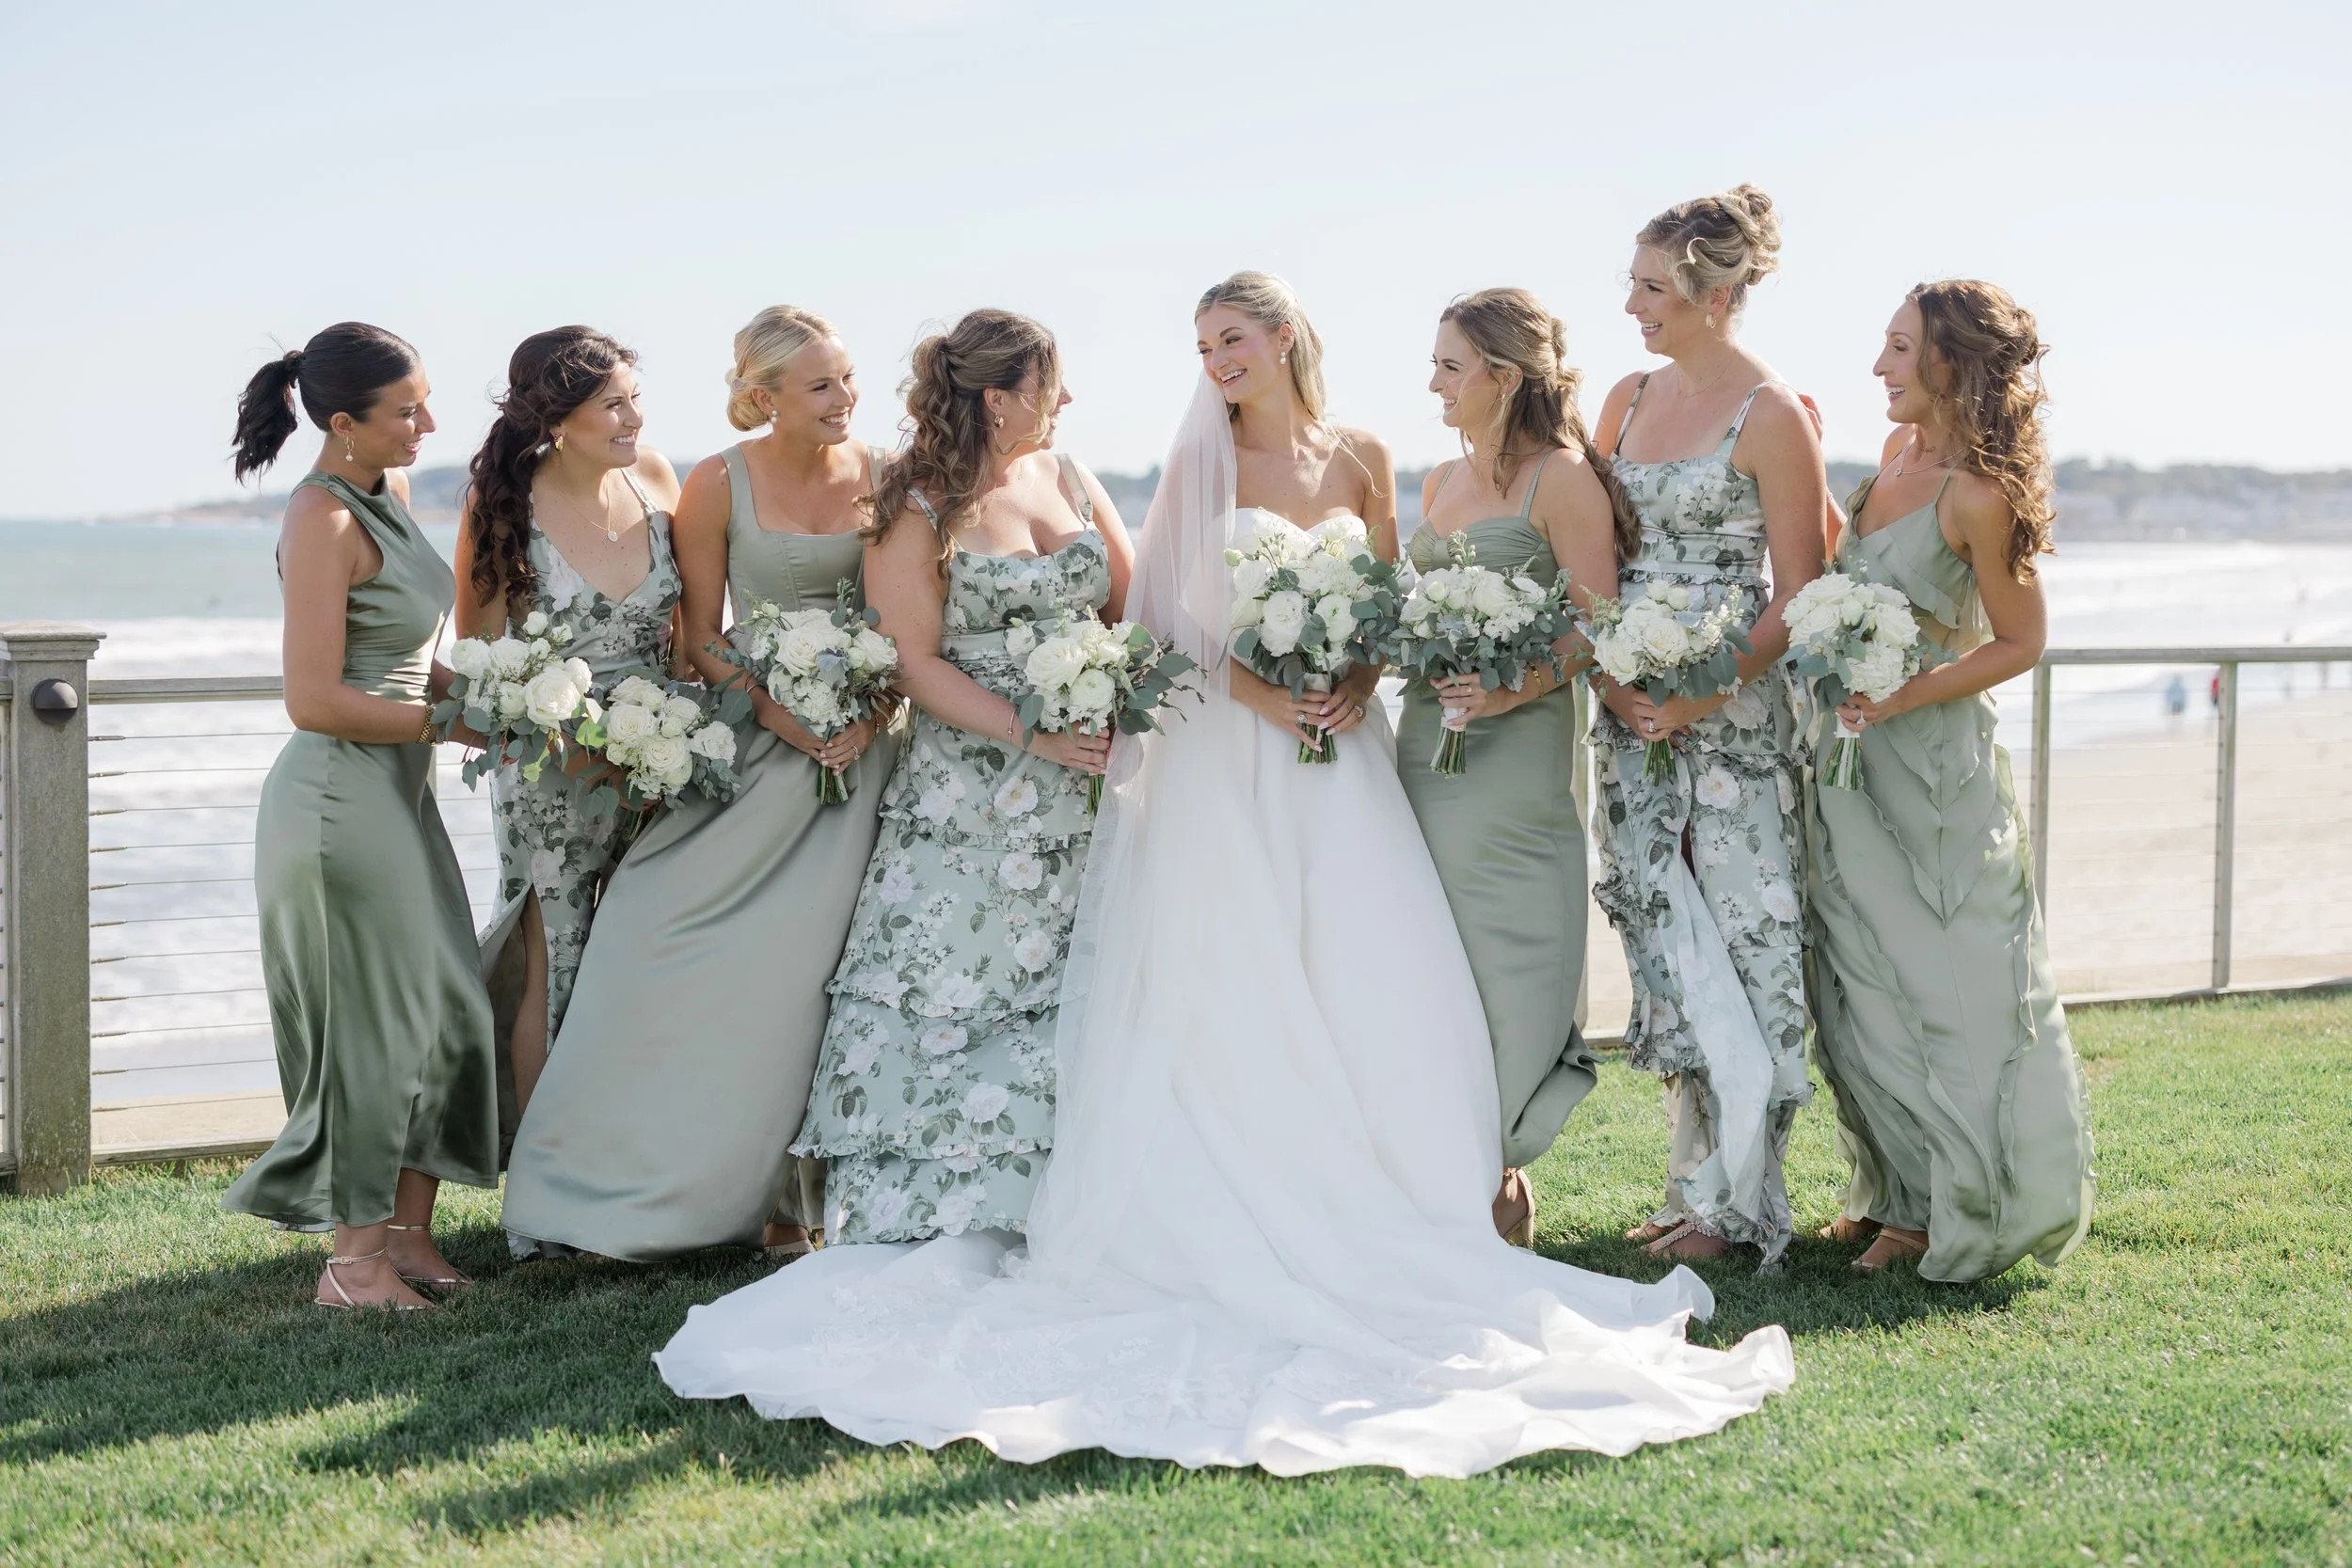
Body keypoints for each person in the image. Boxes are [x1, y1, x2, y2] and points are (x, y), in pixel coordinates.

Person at [653, 274, 1793, 1479]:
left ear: (1285, 336)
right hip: (1225, 753)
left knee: (1363, 972)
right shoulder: (1190, 464)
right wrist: (1263, 695)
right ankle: (1231, 1193)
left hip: (1344, 761)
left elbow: (1382, 605)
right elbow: (1164, 624)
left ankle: (1411, 1193)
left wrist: (1350, 682)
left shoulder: (1361, 456)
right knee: (1227, 973)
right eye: (1202, 345)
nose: (1214, 362)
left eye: (1232, 339)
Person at [499, 308, 900, 1260]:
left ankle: (794, 1207)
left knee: (825, 971)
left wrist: (873, 708)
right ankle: (605, 1181)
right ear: (764, 396)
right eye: (822, 383)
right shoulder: (717, 480)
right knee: (658, 937)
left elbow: (906, 619)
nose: (846, 396)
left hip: (863, 754)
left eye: (847, 377)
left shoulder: (889, 476)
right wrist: (775, 710)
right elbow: (699, 634)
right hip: (755, 745)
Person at [787, 309, 1132, 1243]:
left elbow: (1131, 607)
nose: (1067, 400)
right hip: (969, 800)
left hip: (1089, 792)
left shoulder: (1070, 475)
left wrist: (1115, 692)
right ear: (998, 398)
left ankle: (1081, 1201)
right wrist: (1033, 734)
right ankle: (943, 1210)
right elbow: (913, 661)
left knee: (1083, 982)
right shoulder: (916, 504)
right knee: (958, 983)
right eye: (1051, 385)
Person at [1804, 280, 2095, 1279]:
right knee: (1859, 977)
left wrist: (1906, 693)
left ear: (1950, 361)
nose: (1879, 366)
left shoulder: (1978, 492)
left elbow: (2021, 640)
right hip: (1847, 755)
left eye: (1898, 348)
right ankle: (1894, 1189)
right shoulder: (1894, 454)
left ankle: (1957, 1203)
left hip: (1927, 768)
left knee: (1939, 986)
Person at [220, 324, 495, 1309]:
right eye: (407, 411)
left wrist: (502, 707)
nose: (429, 424)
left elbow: (412, 657)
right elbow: (314, 699)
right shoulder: (321, 518)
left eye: (425, 401)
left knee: (452, 1008)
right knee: (377, 1028)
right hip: (337, 799)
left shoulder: (393, 492)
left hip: (398, 793)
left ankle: (408, 1237)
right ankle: (352, 1264)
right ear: (342, 422)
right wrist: (452, 726)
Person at [1589, 184, 1828, 1268]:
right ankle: (1693, 1182)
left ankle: (1739, 1202)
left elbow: (1800, 591)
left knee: (1744, 935)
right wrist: (1615, 680)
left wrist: (1701, 690)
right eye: (1633, 283)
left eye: (1651, 286)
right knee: (1667, 938)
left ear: (1713, 293)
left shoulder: (1771, 415)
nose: (1631, 304)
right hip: (1631, 716)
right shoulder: (1624, 400)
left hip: (1729, 722)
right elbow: (1591, 558)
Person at [1402, 288, 1625, 1243]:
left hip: (1516, 746)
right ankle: (1443, 1172)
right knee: (1433, 957)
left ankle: (1497, 1164)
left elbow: (1596, 619)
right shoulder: (1439, 483)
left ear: (1501, 375)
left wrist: (1512, 687)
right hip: (1427, 742)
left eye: (1449, 366)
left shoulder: (1563, 479)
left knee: (1511, 952)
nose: (1434, 383)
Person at [458, 327, 681, 1137]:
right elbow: (480, 661)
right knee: (553, 962)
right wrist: (581, 748)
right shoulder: (504, 506)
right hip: (550, 773)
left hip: (663, 764)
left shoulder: (657, 480)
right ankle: (547, 1174)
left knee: (649, 954)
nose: (634, 418)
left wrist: (670, 744)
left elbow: (686, 639)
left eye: (634, 397)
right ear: (557, 419)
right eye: (612, 404)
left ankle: (635, 1155)